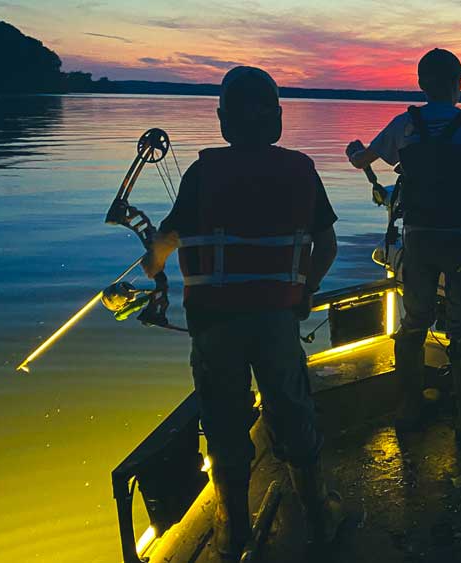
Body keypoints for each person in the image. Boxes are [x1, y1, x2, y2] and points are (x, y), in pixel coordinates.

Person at [140, 66, 343, 558]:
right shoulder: (302, 170)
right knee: (292, 413)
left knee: (226, 423)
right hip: (277, 322)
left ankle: (233, 533)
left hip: (214, 328)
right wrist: (307, 287)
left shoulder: (203, 172)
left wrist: (152, 263)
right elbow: (328, 244)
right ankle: (318, 516)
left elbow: (166, 241)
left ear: (222, 122)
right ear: (276, 119)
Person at [346, 48, 461, 439]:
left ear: (421, 84)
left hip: (418, 240)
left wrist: (354, 152)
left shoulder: (402, 124)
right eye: (459, 80)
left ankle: (410, 407)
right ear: (454, 84)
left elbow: (363, 161)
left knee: (413, 324)